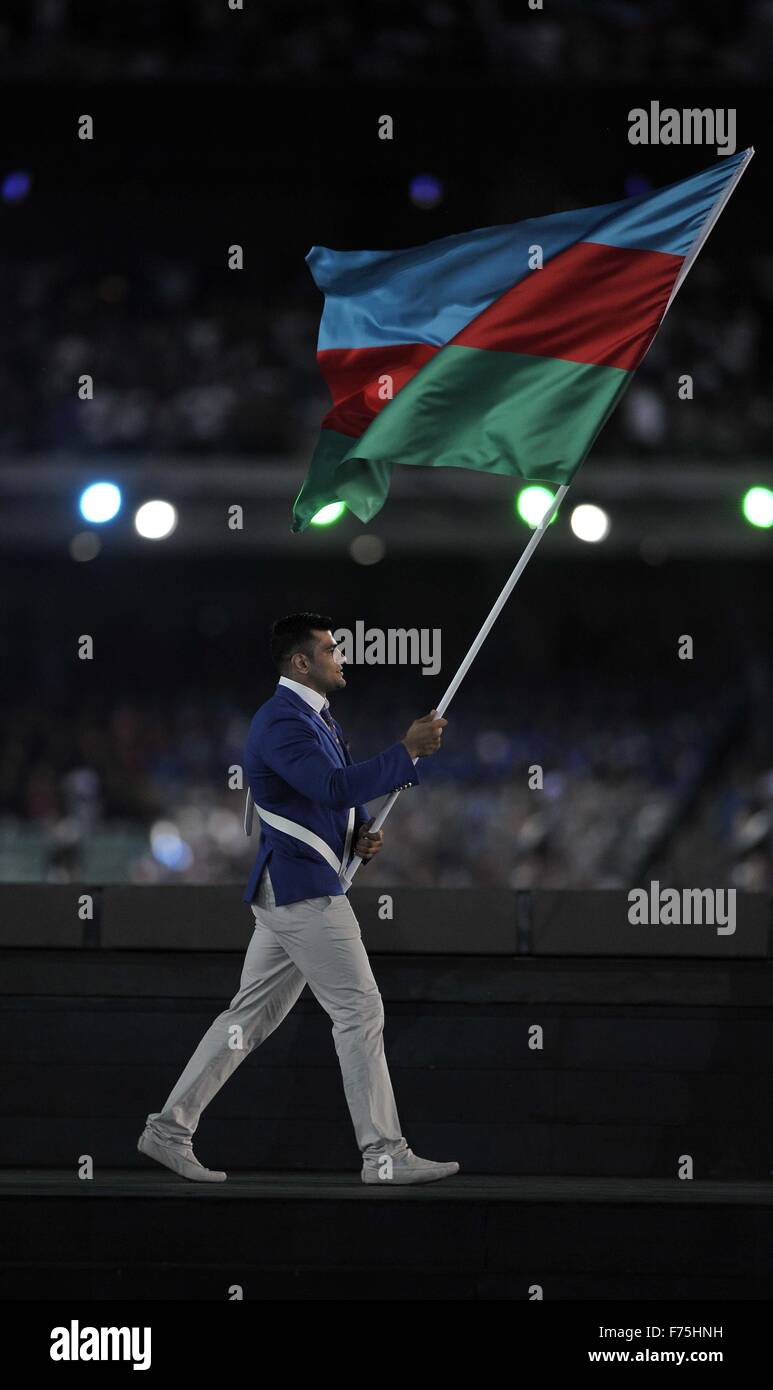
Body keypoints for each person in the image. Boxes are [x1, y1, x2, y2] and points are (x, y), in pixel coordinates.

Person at [138, 612, 459, 1186]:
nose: (343, 656)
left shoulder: (312, 718)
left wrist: (355, 836)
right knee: (359, 1010)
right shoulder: (283, 721)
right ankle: (383, 1154)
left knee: (246, 1020)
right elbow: (330, 787)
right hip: (303, 892)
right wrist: (405, 752)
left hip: (288, 890)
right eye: (332, 649)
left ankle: (167, 1130)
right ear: (301, 662)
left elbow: (320, 801)